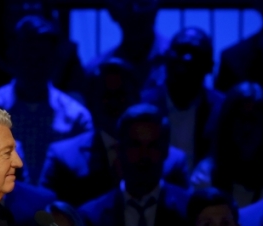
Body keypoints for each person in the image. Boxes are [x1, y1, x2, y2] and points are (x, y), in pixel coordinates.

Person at [39, 58, 187, 207]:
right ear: (90, 102)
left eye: (121, 94)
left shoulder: (172, 161)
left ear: (137, 98)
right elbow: (47, 219)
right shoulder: (63, 157)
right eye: (106, 96)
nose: (114, 103)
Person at [0, 15, 92, 184]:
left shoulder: (77, 118)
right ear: (12, 57)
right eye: (27, 58)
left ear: (54, 60)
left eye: (42, 59)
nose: (34, 67)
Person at [141, 27, 224, 171]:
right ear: (166, 58)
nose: (187, 59)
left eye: (196, 53)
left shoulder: (222, 109)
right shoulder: (143, 106)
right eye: (181, 51)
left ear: (209, 66)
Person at [190, 82, 263, 208]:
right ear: (227, 124)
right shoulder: (205, 177)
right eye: (241, 119)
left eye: (254, 120)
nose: (247, 128)